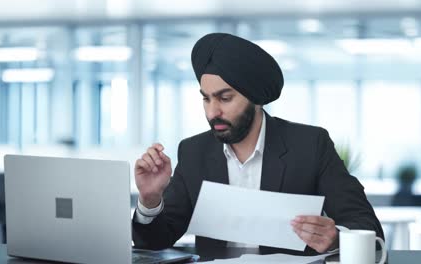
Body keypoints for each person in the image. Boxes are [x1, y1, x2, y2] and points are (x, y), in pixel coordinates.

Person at [132, 33, 384, 255]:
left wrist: (336, 238)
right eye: (206, 99)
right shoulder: (194, 151)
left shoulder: (310, 145)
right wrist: (150, 199)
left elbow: (367, 227)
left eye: (225, 98)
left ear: (256, 98)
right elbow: (153, 243)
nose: (212, 112)